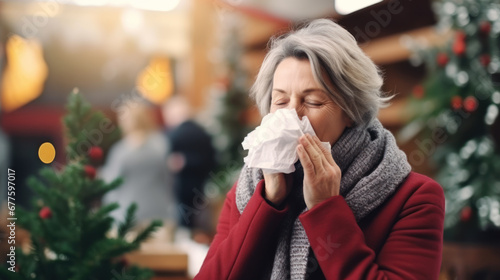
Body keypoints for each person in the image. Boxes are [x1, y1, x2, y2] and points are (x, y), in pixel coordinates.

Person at [195, 19, 445, 279]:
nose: (291, 114)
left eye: (312, 102)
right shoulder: (247, 190)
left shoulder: (414, 199)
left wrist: (326, 208)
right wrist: (268, 202)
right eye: (280, 101)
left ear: (351, 112)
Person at [101, 101, 176, 224]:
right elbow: (168, 178)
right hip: (159, 210)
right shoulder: (161, 143)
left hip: (126, 213)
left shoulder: (121, 150)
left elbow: (111, 184)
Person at [162, 96, 216, 230]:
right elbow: (213, 160)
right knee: (198, 224)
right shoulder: (203, 133)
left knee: (182, 224)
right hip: (201, 186)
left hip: (179, 186)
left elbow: (167, 160)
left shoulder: (172, 135)